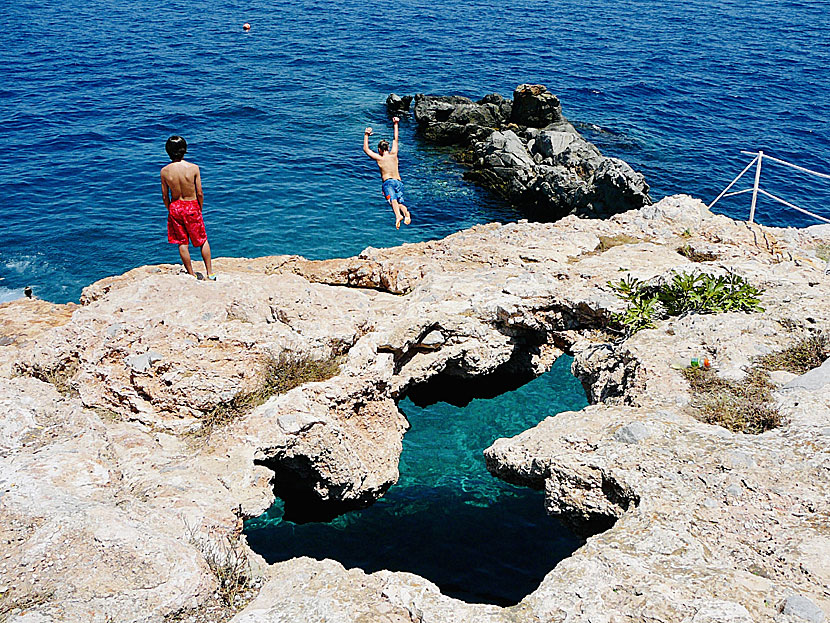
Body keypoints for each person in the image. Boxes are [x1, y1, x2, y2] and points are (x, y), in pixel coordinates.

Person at [160, 136, 216, 280]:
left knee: (182, 242)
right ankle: (210, 273)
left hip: (175, 207)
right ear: (184, 149)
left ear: (168, 151)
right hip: (192, 206)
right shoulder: (193, 168)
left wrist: (170, 209)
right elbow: (199, 193)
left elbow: (165, 196)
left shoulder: (164, 171)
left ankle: (191, 274)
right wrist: (199, 208)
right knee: (202, 239)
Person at [363, 117, 411, 229]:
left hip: (388, 183)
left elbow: (366, 149)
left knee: (393, 200)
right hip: (399, 183)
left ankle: (398, 216)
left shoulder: (380, 158)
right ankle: (406, 214)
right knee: (400, 203)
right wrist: (396, 123)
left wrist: (366, 135)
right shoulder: (394, 154)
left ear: (379, 149)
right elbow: (396, 139)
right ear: (388, 148)